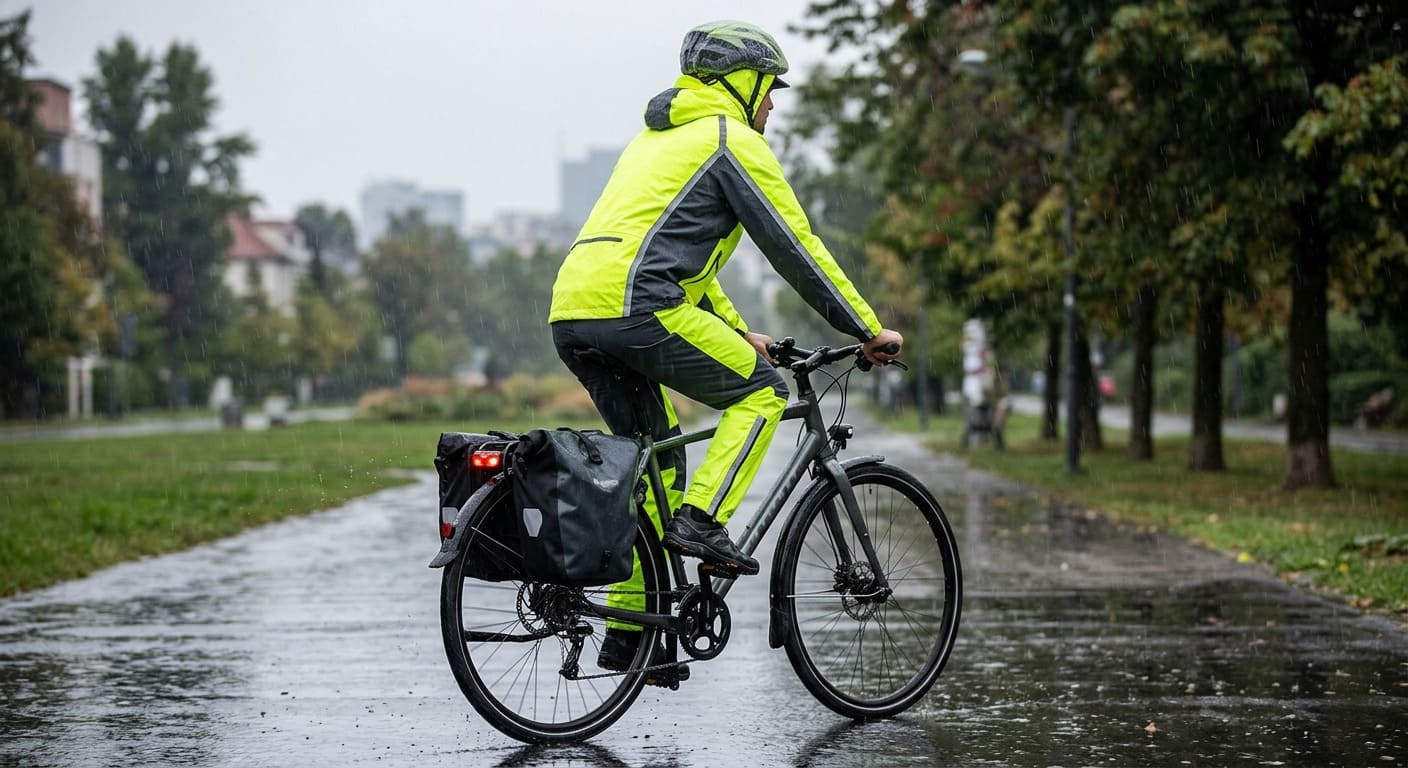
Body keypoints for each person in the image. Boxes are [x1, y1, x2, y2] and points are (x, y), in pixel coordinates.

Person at [548, 20, 903, 674]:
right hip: (639, 307)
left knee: (655, 466)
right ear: (742, 83)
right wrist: (865, 328)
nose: (772, 106)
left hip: (575, 311)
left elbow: (675, 258)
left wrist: (740, 334)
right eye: (769, 89)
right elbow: (794, 248)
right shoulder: (730, 141)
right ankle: (703, 521)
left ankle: (630, 634)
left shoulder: (656, 142)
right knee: (763, 393)